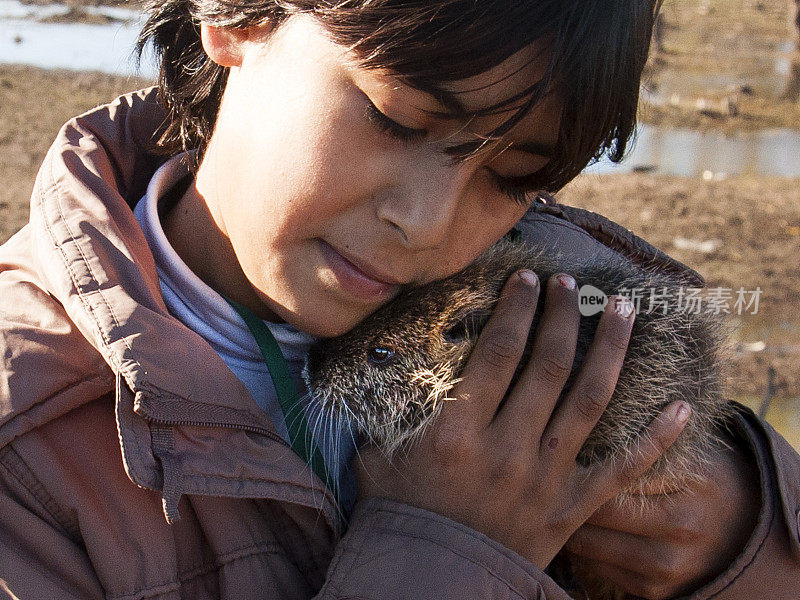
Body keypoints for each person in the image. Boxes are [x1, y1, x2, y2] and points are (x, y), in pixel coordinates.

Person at [0, 1, 797, 598]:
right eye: (393, 119)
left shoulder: (547, 285)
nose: (426, 225)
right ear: (235, 19)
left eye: (513, 176)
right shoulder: (28, 445)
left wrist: (734, 536)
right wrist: (450, 549)